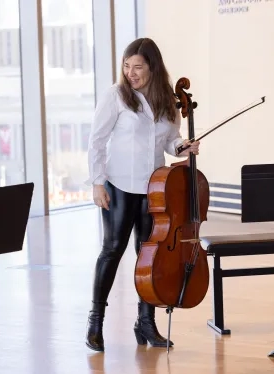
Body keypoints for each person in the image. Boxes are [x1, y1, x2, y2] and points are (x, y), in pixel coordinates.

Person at [84, 37, 200, 352]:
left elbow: (170, 139)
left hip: (154, 190)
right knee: (112, 251)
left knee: (150, 256)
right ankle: (95, 322)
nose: (131, 72)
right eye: (127, 66)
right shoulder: (116, 96)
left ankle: (145, 322)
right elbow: (96, 139)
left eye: (138, 66)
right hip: (119, 186)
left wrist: (182, 147)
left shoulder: (166, 101)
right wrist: (97, 181)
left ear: (152, 67)